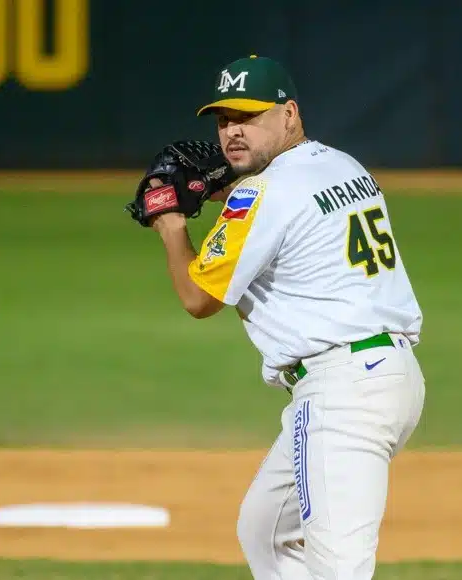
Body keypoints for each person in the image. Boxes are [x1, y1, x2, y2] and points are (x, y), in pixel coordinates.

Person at [145, 54, 426, 579]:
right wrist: (228, 193)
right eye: (224, 120)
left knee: (339, 569)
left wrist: (170, 223)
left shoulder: (261, 193)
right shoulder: (343, 165)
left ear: (290, 114)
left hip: (342, 395)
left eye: (249, 117)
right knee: (266, 530)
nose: (232, 133)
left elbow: (197, 299)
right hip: (386, 377)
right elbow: (288, 220)